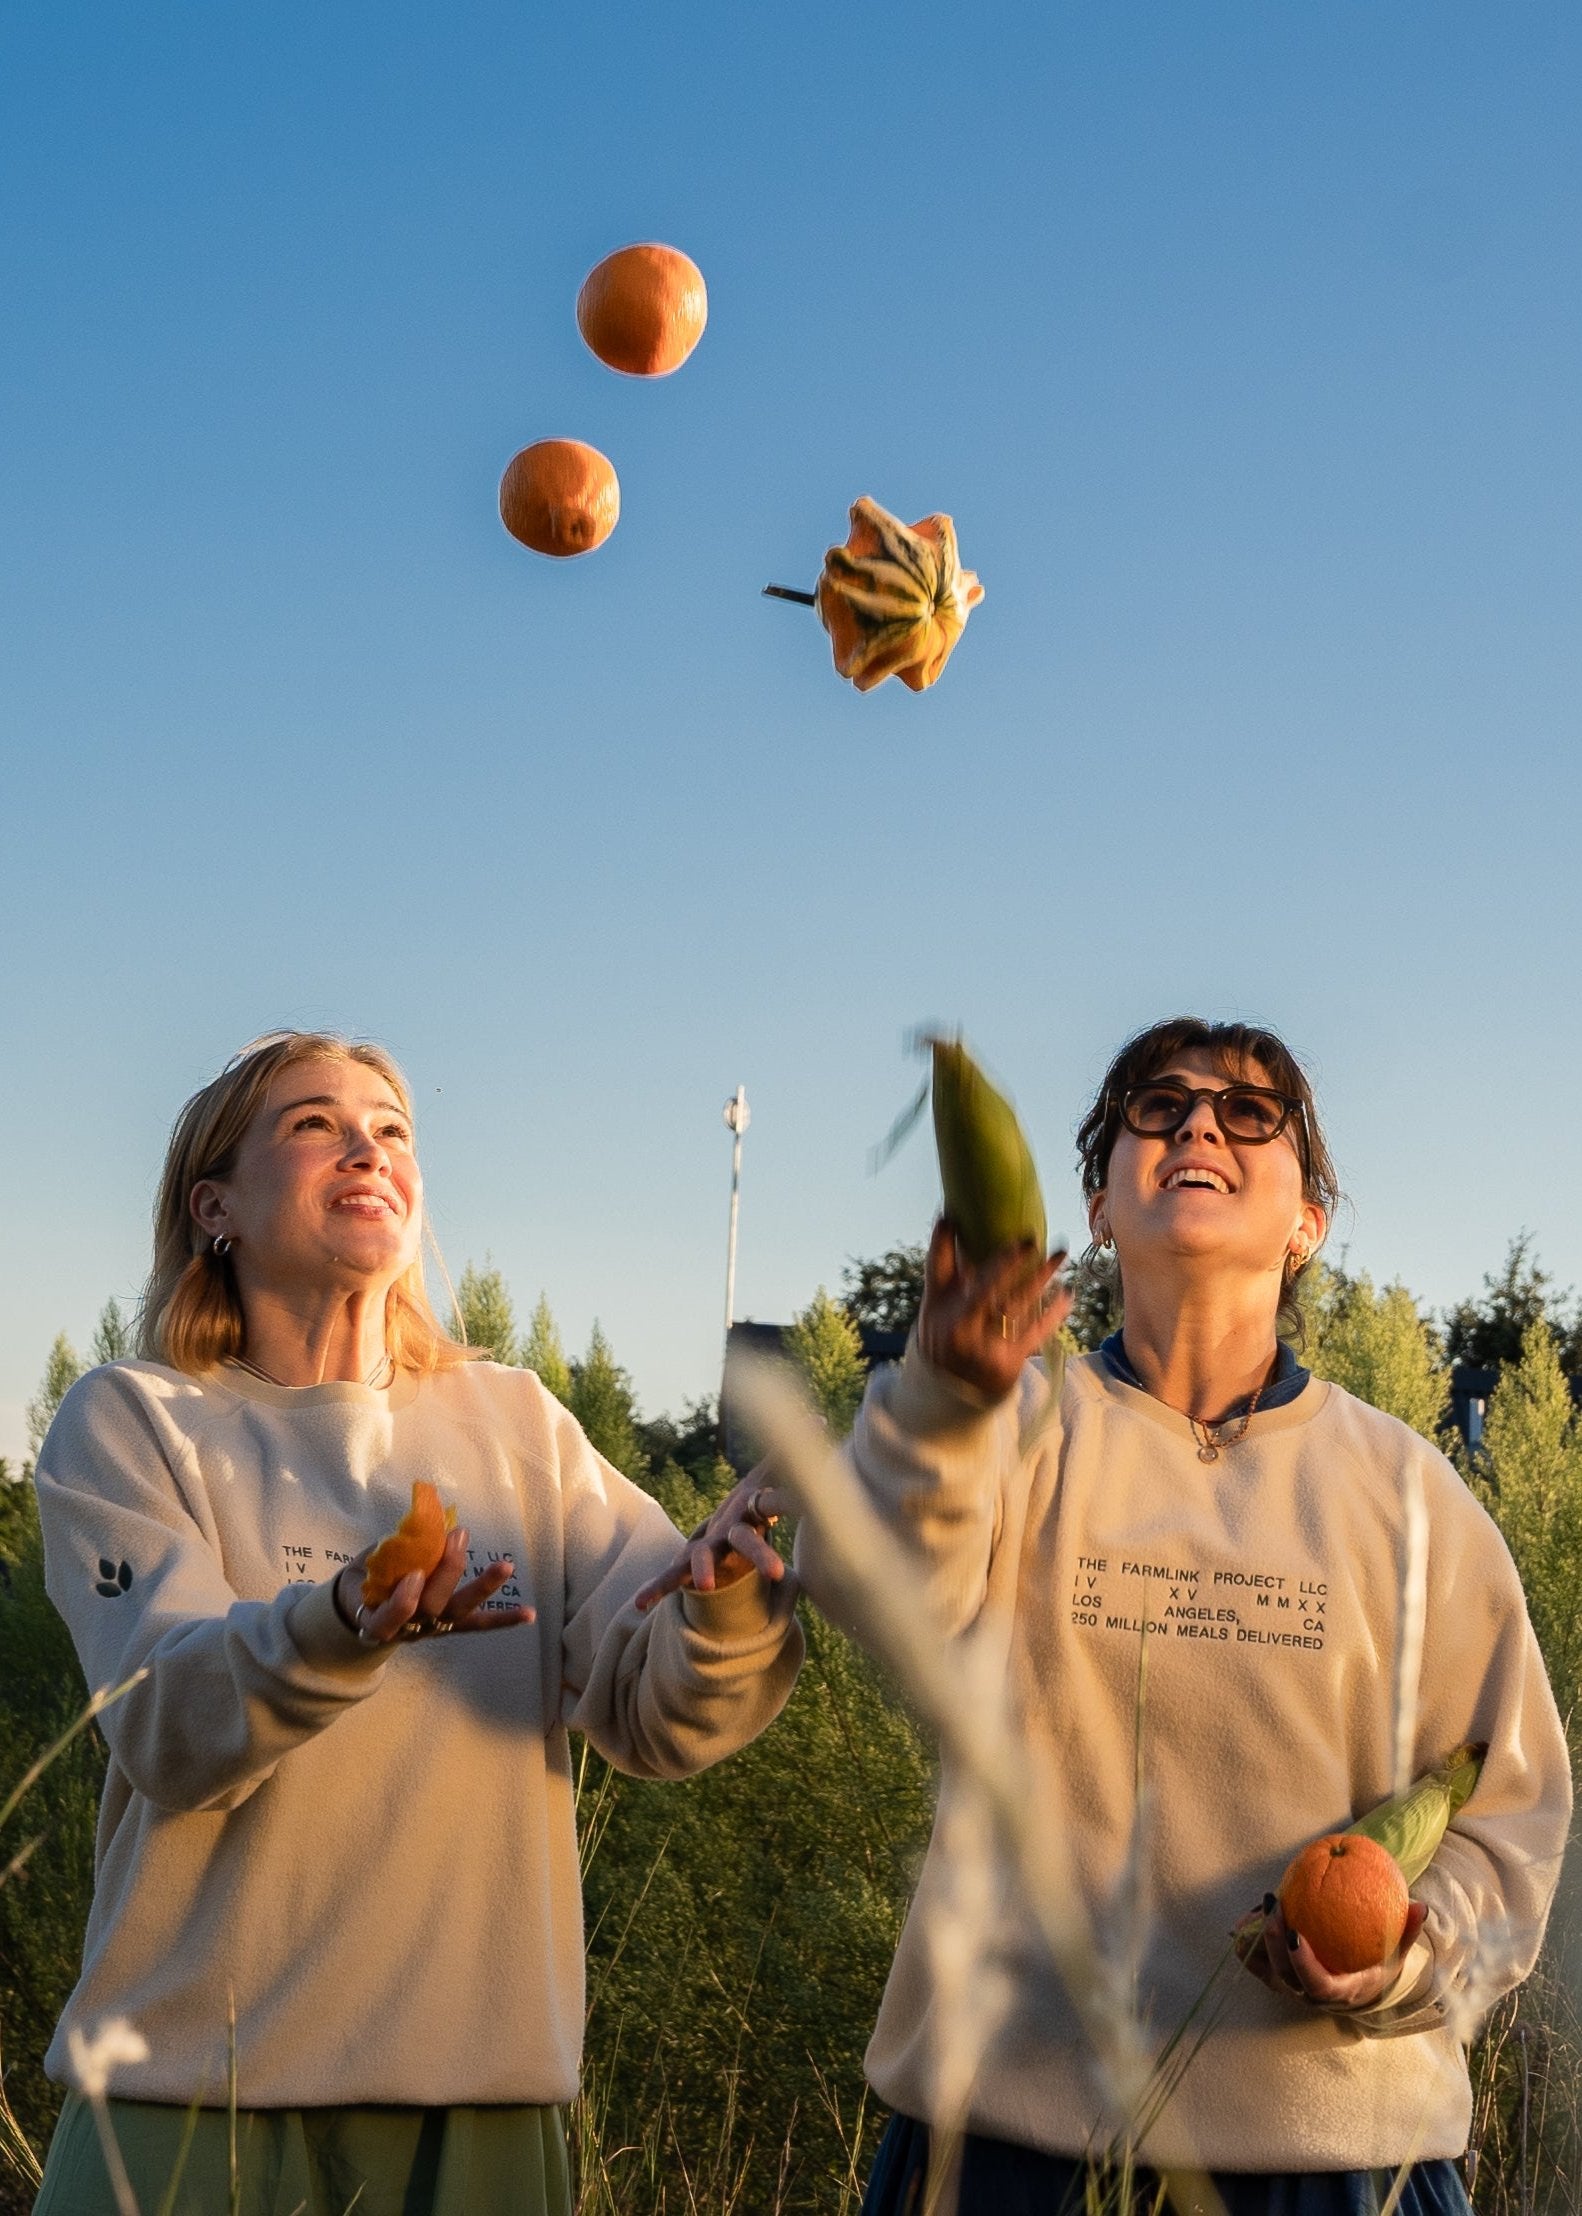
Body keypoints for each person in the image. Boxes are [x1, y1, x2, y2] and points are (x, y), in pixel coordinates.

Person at [792, 1017, 1571, 2216]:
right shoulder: (1004, 1426)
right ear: (1098, 1202)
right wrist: (934, 1401)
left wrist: (1406, 1952)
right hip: (1010, 2144)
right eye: (1155, 1107)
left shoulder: (1413, 1493)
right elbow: (868, 1586)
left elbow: (1508, 1814)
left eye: (1249, 1112)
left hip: (1338, 2159)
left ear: (1307, 1219)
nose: (1198, 1121)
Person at [31, 1030, 800, 2216]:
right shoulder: (136, 1420)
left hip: (477, 2122)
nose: (367, 1146)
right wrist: (345, 1618)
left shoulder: (518, 1425)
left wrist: (725, 1596)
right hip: (183, 2109)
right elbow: (166, 1723)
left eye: (393, 1127)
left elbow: (663, 1718)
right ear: (214, 1204)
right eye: (313, 1122)